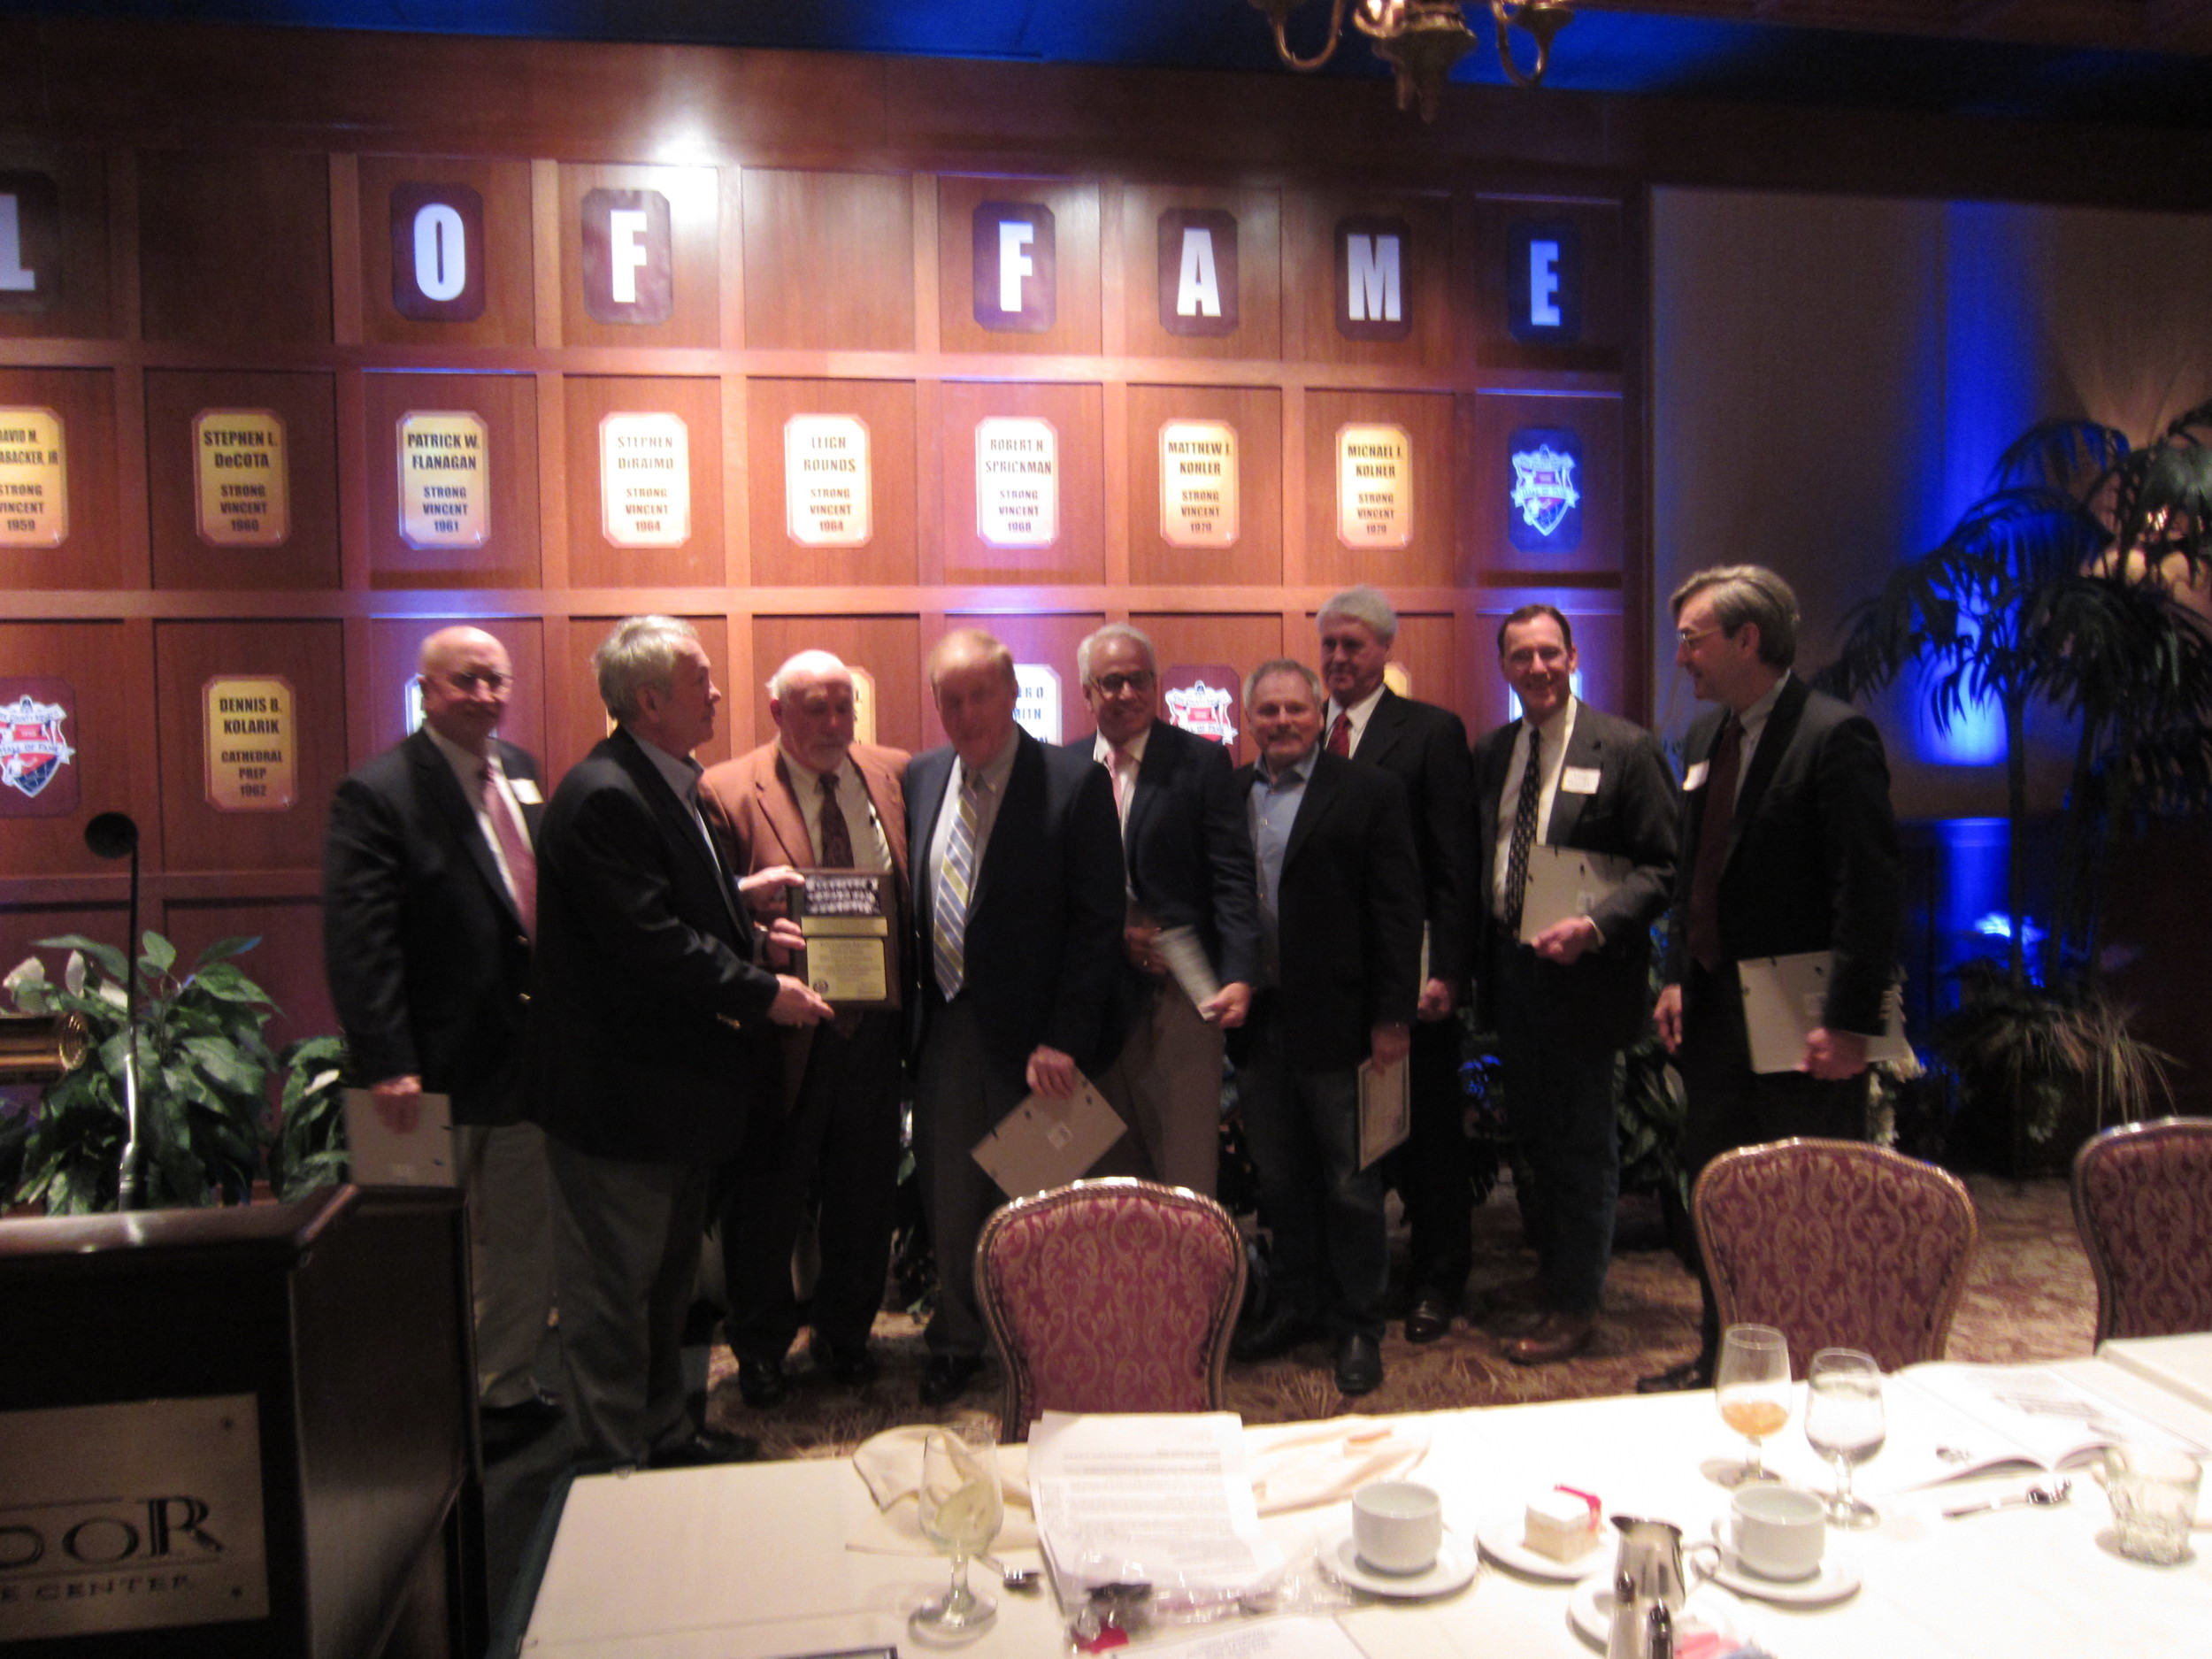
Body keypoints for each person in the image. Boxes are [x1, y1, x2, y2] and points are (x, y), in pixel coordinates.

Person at [528, 616, 831, 1464]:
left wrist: (747, 923)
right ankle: (610, 1464)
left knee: (663, 1290)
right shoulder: (604, 795)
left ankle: (663, 1433)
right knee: (612, 1297)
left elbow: (671, 905)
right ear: (650, 699)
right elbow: (649, 943)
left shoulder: (666, 779)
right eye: (701, 678)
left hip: (671, 1095)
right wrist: (765, 989)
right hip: (618, 1100)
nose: (719, 691)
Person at [1640, 565, 1904, 1394]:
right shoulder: (1704, 740)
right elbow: (1694, 875)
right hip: (1717, 1014)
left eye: (1692, 637)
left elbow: (1868, 890)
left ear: (1746, 640)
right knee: (1724, 1200)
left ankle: (1811, 1368)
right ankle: (1725, 1356)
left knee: (1804, 1209)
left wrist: (1852, 1021)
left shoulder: (1835, 736)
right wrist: (1678, 973)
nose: (1681, 655)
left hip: (1805, 1023)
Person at [321, 625, 561, 1440]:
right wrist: (387, 1061)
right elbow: (362, 943)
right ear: (427, 690)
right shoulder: (377, 791)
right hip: (419, 1077)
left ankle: (505, 1388)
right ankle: (417, 1399)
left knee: (524, 1237)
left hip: (522, 1060)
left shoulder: (523, 772)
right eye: (467, 681)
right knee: (417, 1246)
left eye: (497, 679)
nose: (487, 695)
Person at [904, 629, 1126, 1406]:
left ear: (1011, 694)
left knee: (1044, 1201)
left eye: (981, 695)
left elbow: (1099, 925)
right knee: (952, 1196)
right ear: (936, 704)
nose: (967, 712)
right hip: (947, 1029)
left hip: (1040, 1044)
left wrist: (1066, 1034)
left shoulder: (1073, 782)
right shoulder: (923, 777)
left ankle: (1047, 1341)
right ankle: (959, 1336)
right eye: (951, 698)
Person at [699, 650, 909, 1408]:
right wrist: (760, 945)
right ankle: (759, 1347)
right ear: (777, 710)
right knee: (767, 1202)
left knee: (865, 1194)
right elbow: (704, 919)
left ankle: (846, 1335)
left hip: (875, 1033)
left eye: (843, 706)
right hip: (781, 1038)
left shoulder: (895, 774)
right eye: (813, 708)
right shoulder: (725, 789)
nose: (832, 723)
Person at [1470, 605, 1678, 1365]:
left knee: (1583, 1146)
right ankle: (1557, 1276)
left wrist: (1593, 927)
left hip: (1587, 976)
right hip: (1515, 973)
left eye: (1550, 653)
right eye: (1522, 656)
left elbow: (1665, 866)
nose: (1538, 668)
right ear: (1505, 667)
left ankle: (1579, 1305)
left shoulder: (1625, 748)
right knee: (1536, 1141)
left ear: (1573, 655)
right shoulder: (1493, 752)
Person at [1226, 659, 1424, 1397]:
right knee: (1280, 1178)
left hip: (1344, 1025)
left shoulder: (1369, 791)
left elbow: (1398, 913)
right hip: (1260, 1023)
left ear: (1319, 713)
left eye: (1294, 710)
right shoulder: (1232, 793)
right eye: (1267, 711)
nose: (1281, 722)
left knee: (1350, 1180)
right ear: (1250, 720)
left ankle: (1358, 1324)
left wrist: (1393, 1017)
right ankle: (1300, 1303)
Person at [1315, 587, 1478, 1344]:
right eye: (1330, 647)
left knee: (1429, 1137)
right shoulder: (1302, 731)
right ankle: (1354, 1277)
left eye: (1354, 645)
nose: (1340, 659)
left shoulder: (1431, 733)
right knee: (1351, 1140)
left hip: (1412, 977)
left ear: (1384, 650)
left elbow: (1455, 863)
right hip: (1333, 983)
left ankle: (1437, 1280)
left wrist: (1447, 966)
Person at [1067, 623, 1259, 1198]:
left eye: (1140, 679)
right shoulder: (1065, 768)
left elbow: (1231, 876)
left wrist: (1241, 972)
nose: (1127, 693)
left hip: (1179, 993)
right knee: (1105, 1170)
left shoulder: (1200, 761)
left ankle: (1194, 1288)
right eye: (1112, 681)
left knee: (1185, 1168)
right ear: (1087, 692)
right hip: (1095, 1003)